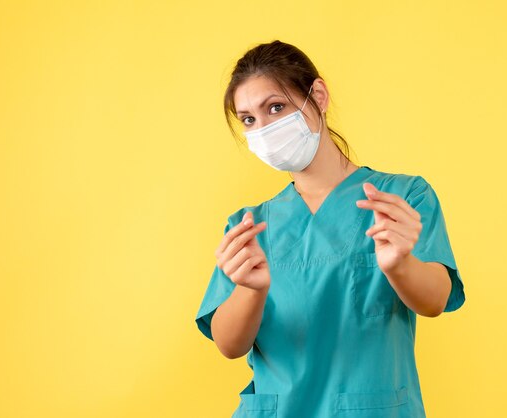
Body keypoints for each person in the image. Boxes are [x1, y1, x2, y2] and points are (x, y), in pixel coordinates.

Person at [195, 40, 466, 418]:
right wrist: (249, 289)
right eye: (249, 119)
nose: (264, 128)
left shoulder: (401, 197)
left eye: (276, 107)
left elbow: (436, 300)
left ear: (317, 96)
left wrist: (399, 265)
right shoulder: (251, 224)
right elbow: (228, 344)